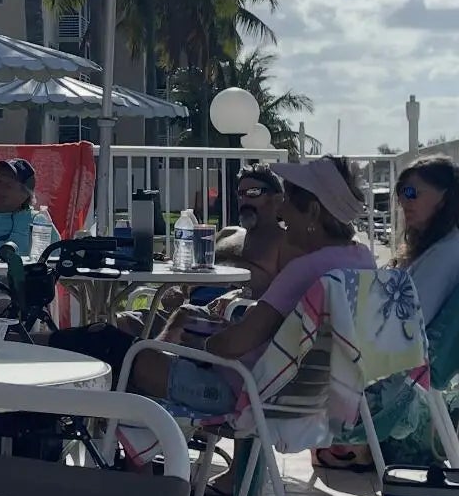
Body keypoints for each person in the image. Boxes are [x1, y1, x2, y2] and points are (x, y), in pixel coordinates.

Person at [127, 156, 375, 421]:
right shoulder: (362, 261)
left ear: (313, 212)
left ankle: (128, 438)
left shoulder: (304, 270)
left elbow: (234, 344)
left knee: (131, 358)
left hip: (245, 391)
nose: (282, 212)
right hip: (314, 398)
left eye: (288, 202)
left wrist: (202, 344)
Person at [312, 153, 459, 472]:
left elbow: (406, 319)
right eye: (401, 193)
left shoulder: (447, 252)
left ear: (444, 197)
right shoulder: (440, 246)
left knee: (293, 375)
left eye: (412, 193)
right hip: (395, 364)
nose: (404, 202)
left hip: (394, 375)